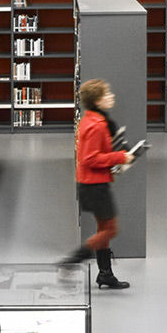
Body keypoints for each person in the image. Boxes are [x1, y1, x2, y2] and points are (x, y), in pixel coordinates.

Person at [60, 79, 134, 289]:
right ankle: (72, 260)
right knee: (110, 229)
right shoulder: (96, 125)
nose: (112, 96)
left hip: (93, 182)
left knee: (104, 228)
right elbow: (90, 159)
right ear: (98, 101)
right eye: (107, 94)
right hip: (95, 185)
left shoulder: (93, 120)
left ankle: (105, 274)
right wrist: (120, 157)